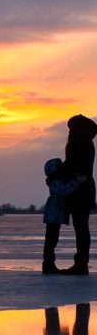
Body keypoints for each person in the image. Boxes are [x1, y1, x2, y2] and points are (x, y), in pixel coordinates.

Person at [49, 115, 97, 275]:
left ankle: (81, 264)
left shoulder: (79, 142)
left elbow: (72, 164)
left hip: (80, 189)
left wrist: (55, 174)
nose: (69, 131)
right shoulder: (86, 142)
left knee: (81, 227)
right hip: (83, 187)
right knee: (82, 227)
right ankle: (81, 263)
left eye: (71, 128)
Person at [42, 158, 86, 274]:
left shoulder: (55, 180)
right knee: (51, 241)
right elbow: (64, 190)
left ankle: (49, 264)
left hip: (55, 214)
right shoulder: (55, 181)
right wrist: (77, 181)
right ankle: (48, 265)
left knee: (52, 240)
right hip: (53, 215)